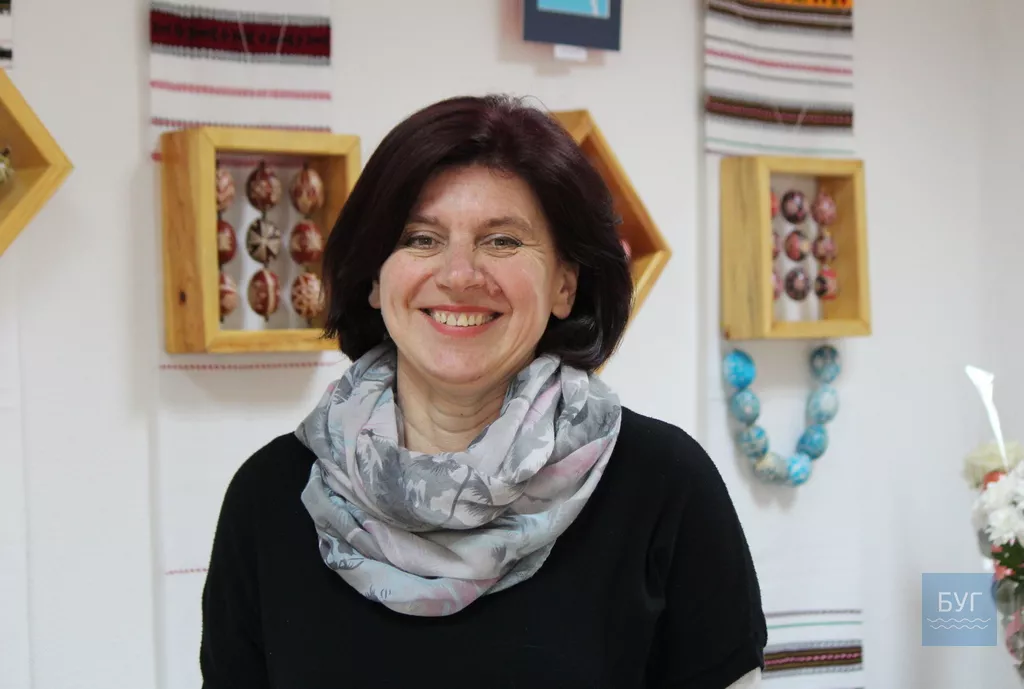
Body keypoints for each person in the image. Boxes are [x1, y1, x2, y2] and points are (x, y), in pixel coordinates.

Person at [199, 94, 767, 689]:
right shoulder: (270, 498)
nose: (459, 275)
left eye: (502, 241)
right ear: (374, 278)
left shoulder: (664, 488)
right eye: (421, 239)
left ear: (565, 285)